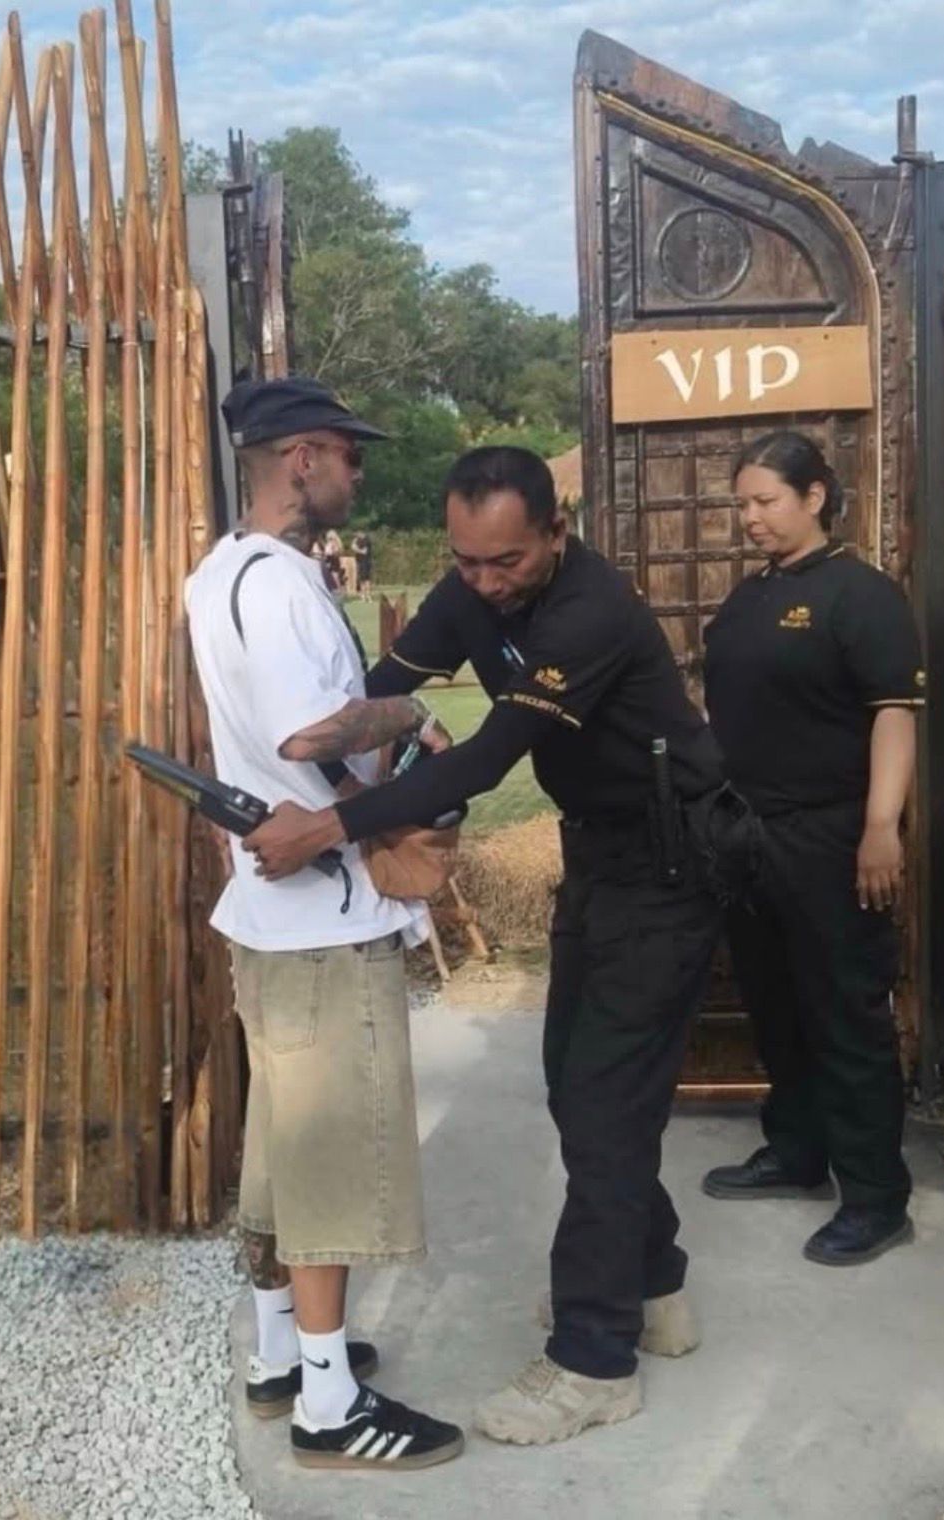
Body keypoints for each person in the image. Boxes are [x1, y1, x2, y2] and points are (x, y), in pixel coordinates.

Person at [240, 446, 726, 1447]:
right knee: (578, 1090)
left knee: (604, 1106)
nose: (486, 582)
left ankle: (594, 1360)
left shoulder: (591, 610)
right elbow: (381, 686)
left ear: (556, 532)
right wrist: (296, 744)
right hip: (598, 861)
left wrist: (331, 825)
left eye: (507, 561)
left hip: (673, 868)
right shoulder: (468, 595)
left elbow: (491, 754)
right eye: (466, 561)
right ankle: (653, 1285)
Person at [185, 374, 464, 1472]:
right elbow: (308, 734)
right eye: (349, 453)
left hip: (268, 920)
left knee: (282, 1149)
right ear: (301, 456)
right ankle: (330, 1405)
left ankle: (280, 1358)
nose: (358, 469)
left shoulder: (219, 572)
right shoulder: (285, 586)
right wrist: (414, 709)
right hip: (324, 924)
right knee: (335, 1164)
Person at [699, 430, 924, 1266]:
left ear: (815, 496)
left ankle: (875, 1197)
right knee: (776, 1004)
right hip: (750, 835)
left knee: (845, 1013)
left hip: (831, 836)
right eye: (743, 504)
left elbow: (893, 714)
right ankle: (797, 1151)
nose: (750, 518)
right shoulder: (750, 597)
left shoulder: (861, 596)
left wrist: (880, 826)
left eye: (766, 501)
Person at [352, 529, 373, 599]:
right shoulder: (359, 540)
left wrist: (356, 549)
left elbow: (364, 551)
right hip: (360, 561)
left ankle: (367, 595)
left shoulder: (366, 540)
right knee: (362, 578)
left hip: (365, 562)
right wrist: (354, 544)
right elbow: (353, 546)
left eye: (357, 534)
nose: (356, 536)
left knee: (365, 579)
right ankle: (363, 594)